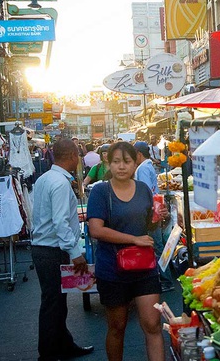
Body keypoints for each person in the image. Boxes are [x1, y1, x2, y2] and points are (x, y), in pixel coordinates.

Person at [86, 142, 165, 361]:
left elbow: (148, 226)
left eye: (127, 162)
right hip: (112, 270)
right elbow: (96, 230)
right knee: (117, 326)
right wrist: (134, 240)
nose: (121, 167)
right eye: (116, 162)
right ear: (108, 163)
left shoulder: (143, 189)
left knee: (152, 323)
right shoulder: (101, 191)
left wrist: (160, 218)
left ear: (135, 162)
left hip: (145, 267)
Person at [31, 138, 94, 361]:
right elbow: (60, 222)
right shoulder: (58, 183)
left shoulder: (45, 179)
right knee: (52, 302)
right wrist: (75, 252)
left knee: (58, 300)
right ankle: (47, 353)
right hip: (51, 250)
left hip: (44, 248)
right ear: (72, 156)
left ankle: (63, 344)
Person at [134, 141, 174, 292]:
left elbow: (145, 193)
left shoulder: (143, 168)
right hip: (155, 210)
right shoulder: (148, 166)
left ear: (138, 153)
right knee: (157, 246)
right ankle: (164, 279)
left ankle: (166, 281)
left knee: (156, 247)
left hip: (151, 212)